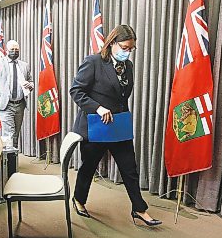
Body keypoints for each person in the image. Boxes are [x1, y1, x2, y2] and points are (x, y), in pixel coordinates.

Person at [69, 25, 161, 226]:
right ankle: (78, 200)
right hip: (96, 125)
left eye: (131, 49)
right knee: (88, 167)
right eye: (125, 47)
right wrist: (98, 108)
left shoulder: (127, 66)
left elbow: (121, 97)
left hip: (119, 125)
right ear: (112, 43)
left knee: (130, 168)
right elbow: (76, 91)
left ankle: (139, 209)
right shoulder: (93, 62)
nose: (127, 52)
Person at [0, 40, 34, 148]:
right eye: (12, 49)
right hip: (5, 105)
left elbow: (31, 82)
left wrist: (30, 86)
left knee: (15, 134)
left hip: (20, 104)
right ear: (7, 51)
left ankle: (12, 160)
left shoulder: (25, 65)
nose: (14, 52)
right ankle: (8, 161)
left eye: (17, 50)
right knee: (8, 134)